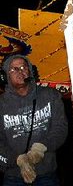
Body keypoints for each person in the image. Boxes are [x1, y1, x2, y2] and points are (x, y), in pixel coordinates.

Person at [0, 55, 68, 185]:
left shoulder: (50, 95)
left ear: (31, 71)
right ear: (4, 76)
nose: (20, 72)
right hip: (13, 176)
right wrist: (17, 160)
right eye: (14, 69)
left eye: (23, 67)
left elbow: (60, 128)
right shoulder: (1, 105)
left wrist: (40, 149)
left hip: (47, 173)